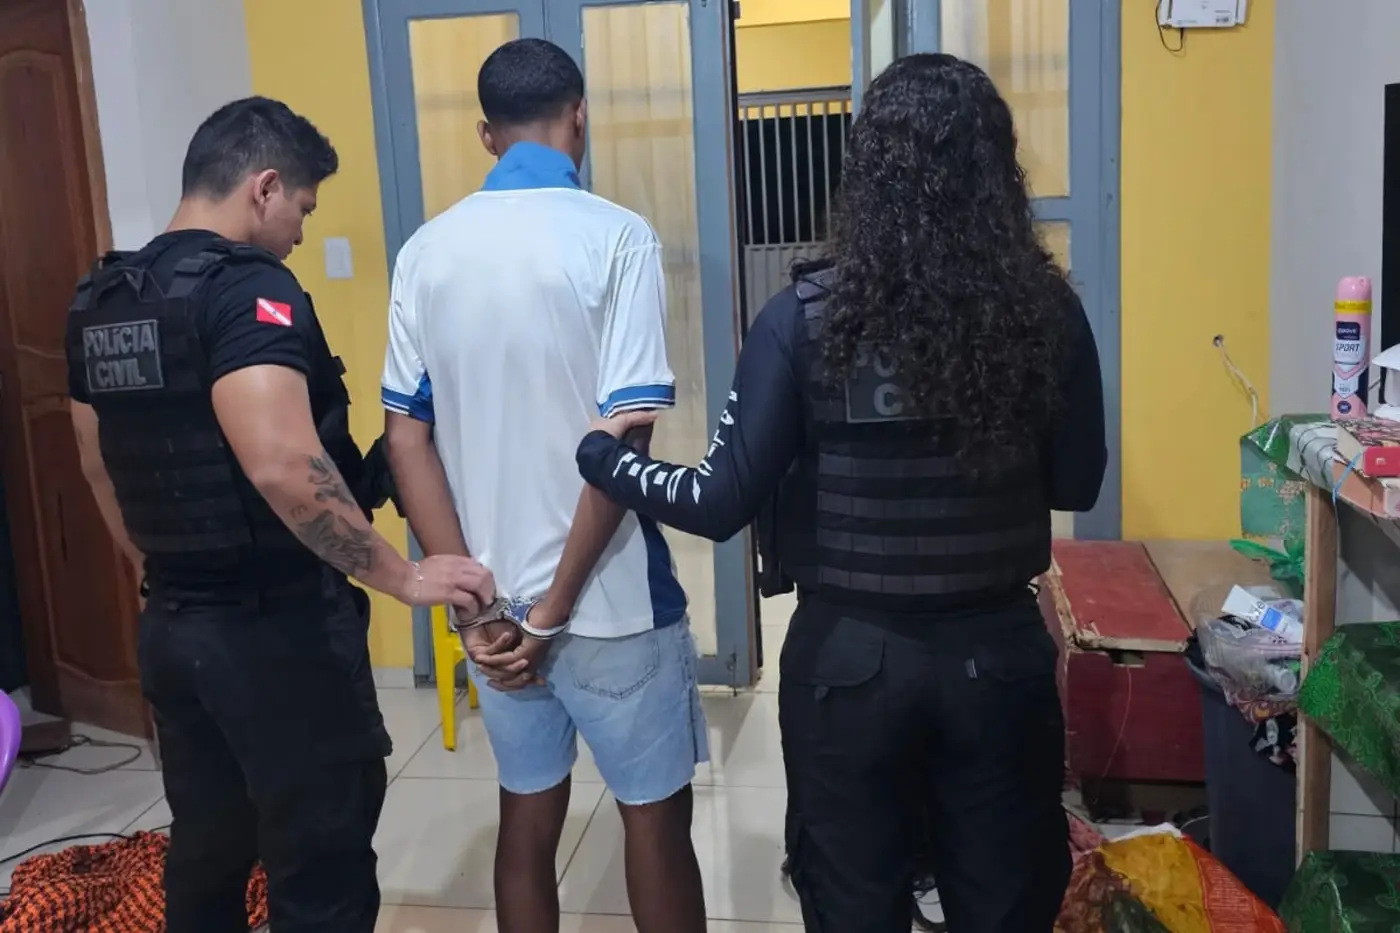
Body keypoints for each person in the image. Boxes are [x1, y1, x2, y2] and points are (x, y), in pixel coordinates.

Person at [575, 54, 1107, 933]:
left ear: (867, 175)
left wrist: (605, 457)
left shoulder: (804, 319)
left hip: (849, 668)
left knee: (853, 902)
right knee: (1006, 904)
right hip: (997, 662)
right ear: (997, 171)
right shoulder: (1045, 314)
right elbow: (1078, 481)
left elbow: (718, 500)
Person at [64, 97, 495, 933]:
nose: (300, 231)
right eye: (301, 206)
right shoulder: (246, 288)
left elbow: (96, 463)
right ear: (263, 188)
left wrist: (159, 576)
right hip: (273, 635)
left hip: (173, 629)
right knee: (321, 859)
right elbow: (283, 464)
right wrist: (406, 577)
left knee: (208, 845)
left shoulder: (102, 297)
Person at [380, 39, 708, 933]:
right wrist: (554, 611)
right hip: (610, 604)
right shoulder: (618, 236)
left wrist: (474, 602)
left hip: (492, 613)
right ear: (580, 118)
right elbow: (623, 438)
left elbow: (406, 437)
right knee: (656, 827)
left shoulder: (425, 253)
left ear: (487, 136)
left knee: (526, 820)